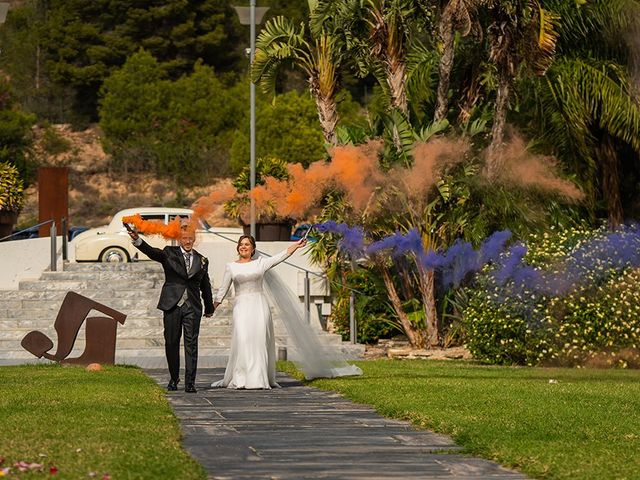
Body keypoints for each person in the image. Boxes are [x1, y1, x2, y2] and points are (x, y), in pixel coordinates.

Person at [127, 222, 214, 393]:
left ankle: (190, 382)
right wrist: (137, 240)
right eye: (184, 238)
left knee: (191, 344)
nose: (188, 241)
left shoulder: (202, 260)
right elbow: (152, 252)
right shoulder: (169, 253)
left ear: (194, 239)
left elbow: (205, 286)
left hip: (192, 307)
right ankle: (174, 378)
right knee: (172, 342)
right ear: (179, 239)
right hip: (172, 305)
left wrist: (209, 307)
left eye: (190, 238)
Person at [212, 235, 307, 389]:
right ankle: (241, 378)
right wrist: (213, 307)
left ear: (253, 248)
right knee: (243, 339)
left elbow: (280, 256)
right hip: (241, 307)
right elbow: (222, 289)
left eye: (247, 244)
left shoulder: (261, 264)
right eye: (241, 244)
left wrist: (296, 245)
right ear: (238, 247)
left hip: (259, 306)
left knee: (259, 341)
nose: (243, 247)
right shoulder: (231, 266)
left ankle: (258, 378)